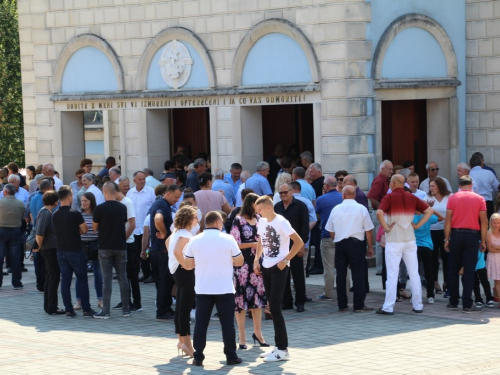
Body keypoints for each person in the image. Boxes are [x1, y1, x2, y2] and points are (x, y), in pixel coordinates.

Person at [184, 211, 244, 366]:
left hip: (203, 288)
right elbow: (239, 261)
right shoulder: (228, 239)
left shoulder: (195, 240)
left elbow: (188, 265)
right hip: (224, 288)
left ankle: (198, 357)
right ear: (218, 222)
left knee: (201, 323)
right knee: (227, 324)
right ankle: (231, 356)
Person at [254, 196, 304, 362]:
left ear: (268, 207)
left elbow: (299, 242)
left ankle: (282, 349)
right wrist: (257, 259)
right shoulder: (262, 222)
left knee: (275, 308)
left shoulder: (281, 221)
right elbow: (261, 239)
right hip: (266, 267)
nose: (258, 213)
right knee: (272, 307)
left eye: (259, 210)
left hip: (279, 267)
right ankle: (278, 347)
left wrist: (286, 260)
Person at [376, 174, 433, 315]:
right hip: (409, 240)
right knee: (414, 273)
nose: (389, 184)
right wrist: (418, 225)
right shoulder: (412, 197)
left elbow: (379, 212)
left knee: (392, 274)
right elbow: (429, 211)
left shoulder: (389, 197)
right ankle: (418, 305)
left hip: (394, 240)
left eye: (390, 182)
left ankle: (388, 307)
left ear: (394, 183)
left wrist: (386, 227)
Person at [325, 185, 374, 312]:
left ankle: (342, 304)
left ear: (343, 195)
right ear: (355, 195)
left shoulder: (336, 209)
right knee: (358, 274)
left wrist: (336, 238)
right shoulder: (361, 208)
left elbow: (330, 230)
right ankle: (358, 304)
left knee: (341, 274)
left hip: (340, 243)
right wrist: (370, 246)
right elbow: (368, 230)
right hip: (356, 243)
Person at [229, 193, 269, 349]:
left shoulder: (260, 220)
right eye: (256, 204)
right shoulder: (238, 221)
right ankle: (242, 336)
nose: (259, 207)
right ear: (250, 204)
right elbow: (234, 243)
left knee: (258, 300)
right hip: (243, 265)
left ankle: (258, 333)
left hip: (257, 265)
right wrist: (252, 244)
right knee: (240, 301)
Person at [444, 175, 488, 313]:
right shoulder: (479, 198)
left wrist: (446, 239)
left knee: (453, 269)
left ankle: (453, 301)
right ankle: (467, 304)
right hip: (472, 236)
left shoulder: (452, 198)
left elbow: (448, 220)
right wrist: (483, 240)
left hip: (456, 234)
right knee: (469, 271)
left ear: (459, 185)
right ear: (471, 184)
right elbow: (484, 221)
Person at [52, 186, 94, 318]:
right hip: (75, 250)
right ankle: (86, 309)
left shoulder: (55, 214)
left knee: (65, 280)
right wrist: (77, 231)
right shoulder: (75, 213)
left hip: (61, 251)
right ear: (69, 197)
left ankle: (69, 309)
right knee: (82, 279)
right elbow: (85, 229)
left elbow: (56, 231)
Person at [92, 182, 130, 319]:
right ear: (115, 191)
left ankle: (106, 311)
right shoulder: (122, 207)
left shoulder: (99, 208)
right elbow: (125, 223)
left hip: (105, 247)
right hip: (120, 246)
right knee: (123, 277)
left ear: (104, 192)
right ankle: (126, 309)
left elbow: (95, 227)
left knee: (106, 279)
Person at [166, 206, 199, 358]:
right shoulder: (185, 234)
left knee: (180, 307)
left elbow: (167, 243)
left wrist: (176, 261)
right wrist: (185, 263)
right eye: (195, 217)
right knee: (184, 309)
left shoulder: (176, 232)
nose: (197, 220)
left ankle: (181, 341)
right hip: (185, 272)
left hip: (177, 271)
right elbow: (176, 250)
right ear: (189, 219)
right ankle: (188, 345)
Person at [274, 183, 309, 312]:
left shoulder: (300, 206)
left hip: (295, 246)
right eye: (280, 193)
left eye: (285, 192)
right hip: (281, 246)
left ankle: (300, 302)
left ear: (291, 191)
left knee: (298, 274)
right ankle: (286, 301)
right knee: (283, 275)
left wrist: (302, 245)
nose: (283, 195)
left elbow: (304, 227)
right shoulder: (277, 207)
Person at [149, 184, 182, 321]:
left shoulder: (158, 203)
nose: (176, 200)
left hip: (156, 249)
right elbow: (158, 219)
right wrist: (164, 233)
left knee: (161, 281)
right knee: (165, 281)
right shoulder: (163, 205)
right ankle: (163, 311)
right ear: (168, 194)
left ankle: (164, 308)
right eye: (175, 197)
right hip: (162, 250)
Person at [36, 190, 64, 314]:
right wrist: (40, 246)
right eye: (57, 199)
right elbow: (40, 233)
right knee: (53, 277)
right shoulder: (46, 213)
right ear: (53, 201)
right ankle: (52, 306)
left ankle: (49, 306)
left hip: (49, 248)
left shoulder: (46, 212)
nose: (58, 202)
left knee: (50, 277)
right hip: (49, 249)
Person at [74, 192, 103, 311]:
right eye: (82, 201)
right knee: (80, 274)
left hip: (95, 244)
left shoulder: (97, 213)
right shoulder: (78, 214)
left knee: (98, 273)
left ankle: (100, 299)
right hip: (82, 245)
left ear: (91, 201)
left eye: (85, 200)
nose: (83, 203)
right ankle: (78, 301)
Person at [315, 177, 342, 298]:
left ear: (326, 186)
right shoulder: (343, 197)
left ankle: (328, 293)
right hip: (342, 236)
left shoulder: (321, 199)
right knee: (343, 267)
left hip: (327, 236)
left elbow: (318, 216)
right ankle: (344, 292)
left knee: (329, 268)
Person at [127, 171, 156, 283]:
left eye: (144, 179)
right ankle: (145, 273)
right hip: (136, 228)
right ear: (134, 180)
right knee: (139, 251)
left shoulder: (151, 192)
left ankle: (152, 274)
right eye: (140, 179)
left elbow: (154, 208)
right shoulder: (130, 193)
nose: (142, 181)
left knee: (148, 250)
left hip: (147, 227)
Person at [116, 183, 140, 311]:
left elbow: (132, 224)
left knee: (132, 274)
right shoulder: (121, 204)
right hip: (124, 243)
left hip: (129, 243)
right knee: (124, 274)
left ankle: (137, 303)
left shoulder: (127, 203)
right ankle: (126, 300)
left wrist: (123, 239)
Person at [426, 177, 452, 297]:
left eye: (433, 186)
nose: (431, 188)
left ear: (440, 186)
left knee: (447, 258)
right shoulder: (427, 198)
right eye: (430, 186)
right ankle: (435, 283)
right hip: (431, 231)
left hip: (445, 231)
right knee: (433, 259)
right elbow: (422, 213)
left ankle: (447, 284)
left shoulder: (449, 197)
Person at [368, 160, 393, 275]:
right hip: (380, 213)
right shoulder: (379, 181)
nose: (391, 172)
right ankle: (380, 268)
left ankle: (383, 267)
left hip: (383, 213)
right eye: (389, 169)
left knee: (383, 239)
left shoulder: (386, 181)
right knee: (380, 240)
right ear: (382, 169)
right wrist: (382, 208)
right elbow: (372, 197)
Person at [0, 184, 25, 290]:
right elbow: (22, 217)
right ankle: (17, 282)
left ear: (5, 192)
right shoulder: (20, 203)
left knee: (0, 257)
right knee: (15, 258)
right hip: (15, 231)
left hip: (1, 230)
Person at [469, 154, 499, 219]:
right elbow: (497, 187)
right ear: (481, 164)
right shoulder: (489, 173)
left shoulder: (469, 175)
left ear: (470, 166)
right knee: (488, 225)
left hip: (474, 203)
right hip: (488, 203)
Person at [486, 213, 500, 308]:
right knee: (498, 279)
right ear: (491, 223)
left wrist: (497, 247)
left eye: (498, 223)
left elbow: (493, 247)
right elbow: (490, 249)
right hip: (493, 258)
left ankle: (496, 292)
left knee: (498, 279)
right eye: (494, 223)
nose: (496, 225)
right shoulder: (488, 233)